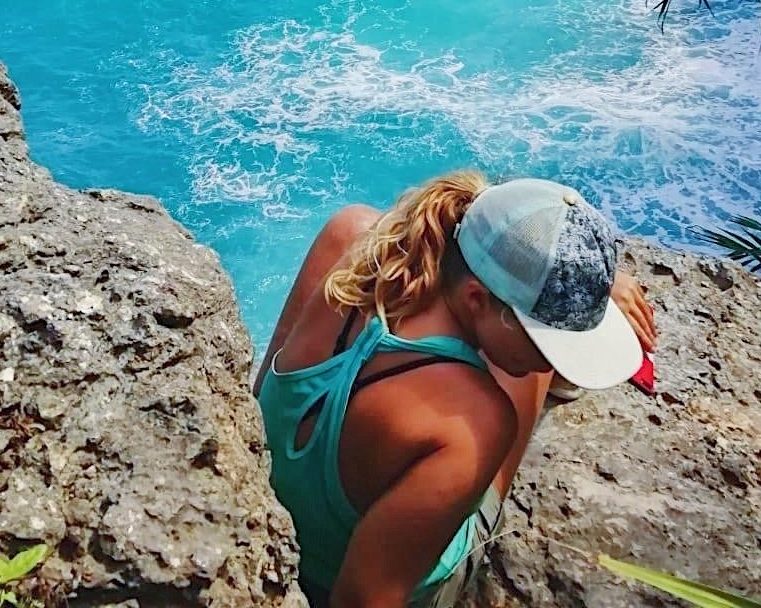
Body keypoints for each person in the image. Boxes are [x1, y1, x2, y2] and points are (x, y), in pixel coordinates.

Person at [253, 171, 658, 608]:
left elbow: (256, 398)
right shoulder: (477, 424)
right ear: (475, 298)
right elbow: (362, 599)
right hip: (335, 579)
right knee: (528, 376)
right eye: (547, 341)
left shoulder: (349, 238)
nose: (551, 356)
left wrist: (575, 281)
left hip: (270, 498)